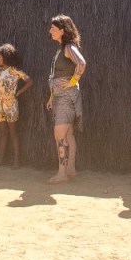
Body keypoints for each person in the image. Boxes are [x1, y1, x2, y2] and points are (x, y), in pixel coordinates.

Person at [46, 15, 86, 184]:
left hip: (65, 97)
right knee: (68, 134)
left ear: (62, 31)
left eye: (53, 28)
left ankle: (62, 173)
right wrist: (51, 97)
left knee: (59, 135)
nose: (50, 31)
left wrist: (72, 82)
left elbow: (82, 64)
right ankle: (70, 169)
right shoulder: (62, 48)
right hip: (60, 96)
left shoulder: (68, 47)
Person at [0, 43, 33, 168]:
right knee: (3, 132)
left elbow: (30, 82)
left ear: (6, 57)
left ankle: (16, 161)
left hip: (11, 105)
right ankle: (0, 160)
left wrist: (18, 92)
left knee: (13, 132)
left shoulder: (14, 70)